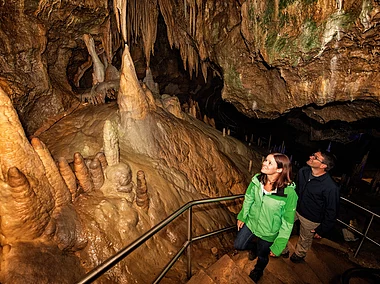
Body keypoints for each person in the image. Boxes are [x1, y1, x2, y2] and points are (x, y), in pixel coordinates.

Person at [234, 153, 298, 282]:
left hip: (269, 230)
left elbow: (287, 222)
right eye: (265, 160)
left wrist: (279, 244)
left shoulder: (288, 193)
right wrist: (242, 215)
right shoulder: (257, 180)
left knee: (263, 255)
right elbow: (249, 198)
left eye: (269, 162)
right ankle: (254, 248)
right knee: (239, 245)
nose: (264, 163)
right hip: (252, 222)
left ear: (280, 169)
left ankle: (258, 271)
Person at [288, 150, 340, 263]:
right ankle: (281, 248)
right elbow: (296, 189)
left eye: (315, 157)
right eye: (312, 154)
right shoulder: (303, 172)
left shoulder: (331, 187)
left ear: (323, 165)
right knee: (284, 227)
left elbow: (332, 210)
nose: (310, 157)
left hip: (311, 218)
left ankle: (299, 254)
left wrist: (322, 230)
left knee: (305, 238)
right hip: (295, 209)